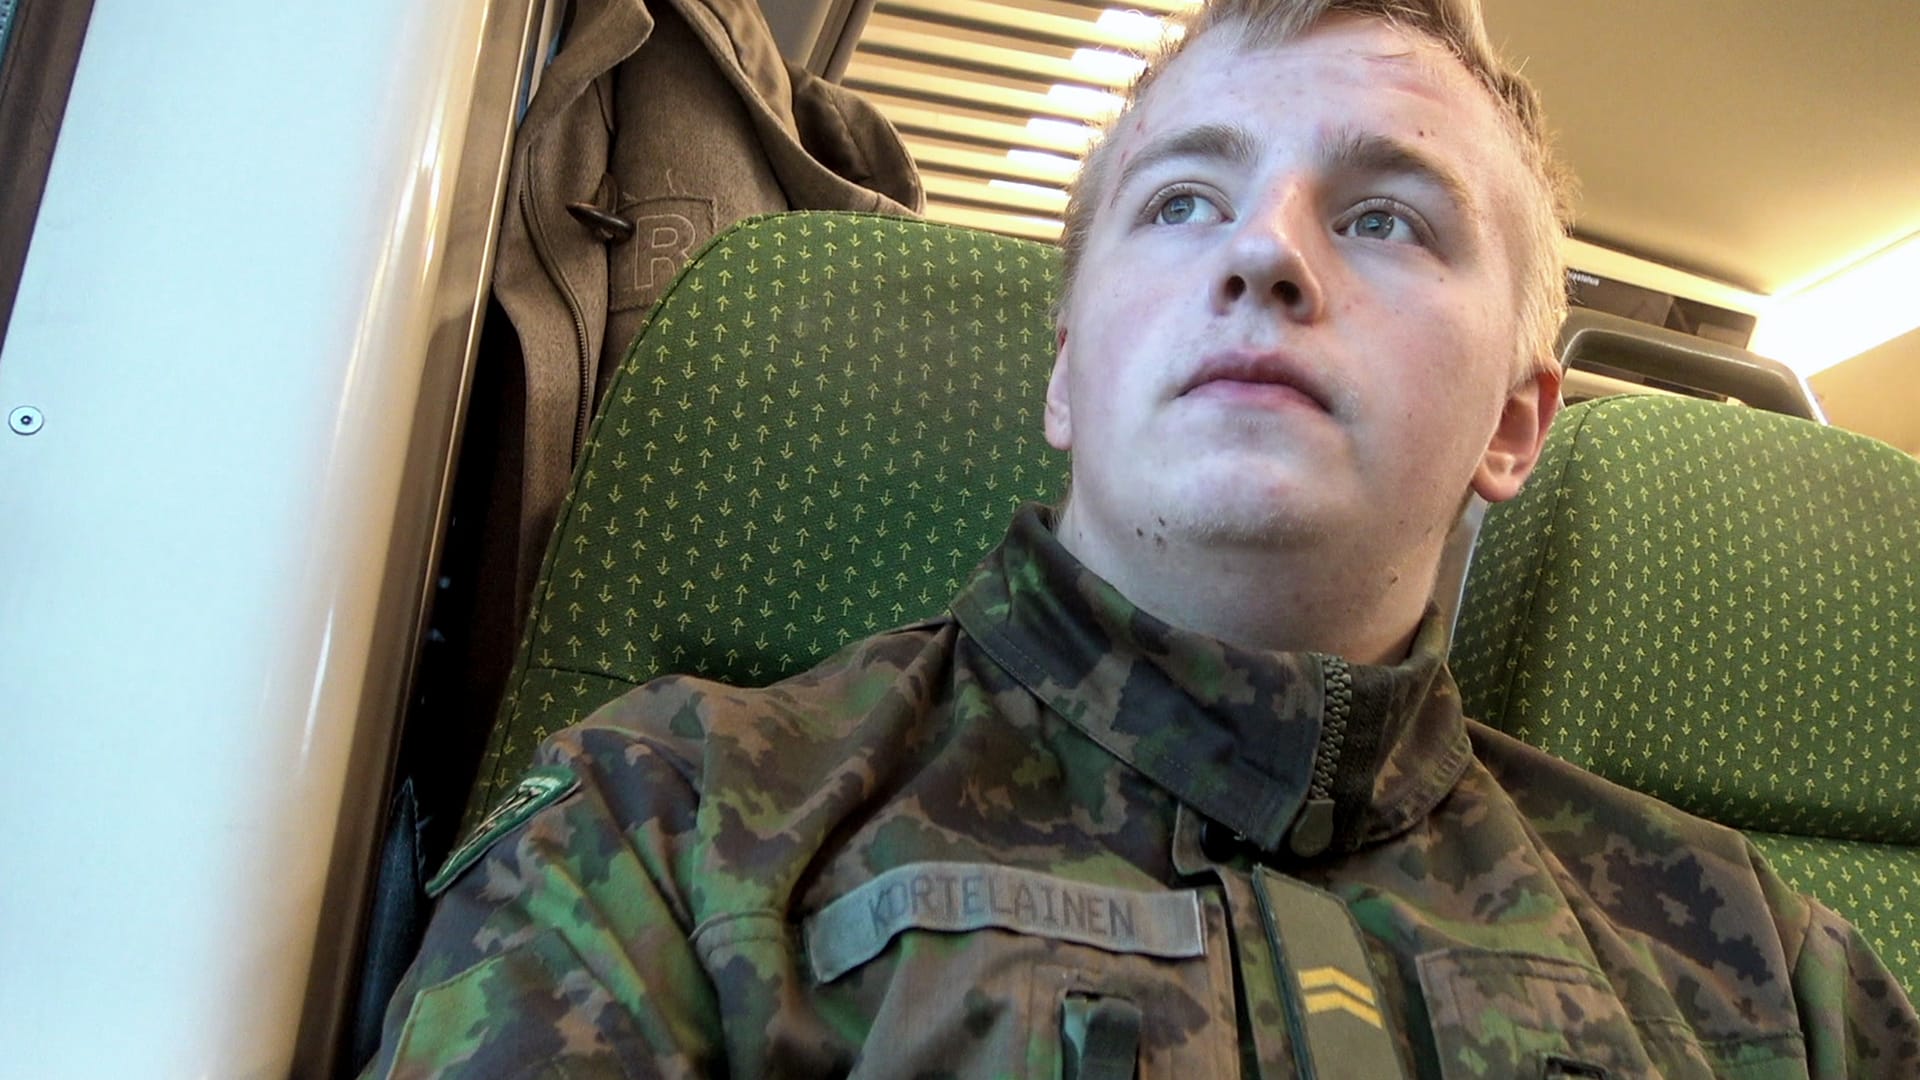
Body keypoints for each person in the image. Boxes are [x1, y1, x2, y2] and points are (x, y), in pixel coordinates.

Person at [363, 0, 1920, 1075]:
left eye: (1385, 216)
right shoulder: (667, 826)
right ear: (1064, 372)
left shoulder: (1763, 964)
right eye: (1182, 202)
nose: (1265, 253)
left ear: (1514, 423)